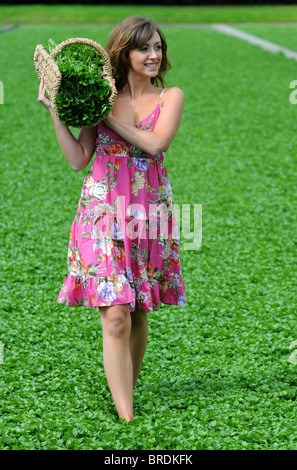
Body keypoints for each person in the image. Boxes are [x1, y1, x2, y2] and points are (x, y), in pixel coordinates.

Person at [38, 16, 186, 422]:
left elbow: (155, 145)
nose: (154, 54)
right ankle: (127, 418)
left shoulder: (170, 95)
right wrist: (57, 111)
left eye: (158, 47)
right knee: (117, 314)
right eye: (145, 48)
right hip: (101, 212)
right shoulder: (101, 96)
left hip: (147, 213)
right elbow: (77, 159)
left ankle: (126, 391)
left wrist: (105, 115)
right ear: (124, 53)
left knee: (138, 310)